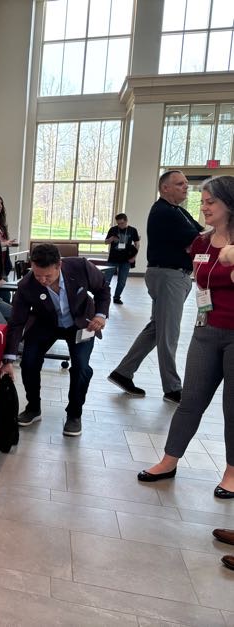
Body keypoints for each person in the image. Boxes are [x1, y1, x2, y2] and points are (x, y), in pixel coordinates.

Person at [136, 176, 234, 499]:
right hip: (206, 330)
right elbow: (200, 279)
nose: (203, 207)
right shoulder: (202, 242)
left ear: (229, 205)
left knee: (232, 407)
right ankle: (169, 459)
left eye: (211, 202)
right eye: (202, 202)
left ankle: (232, 472)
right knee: (190, 400)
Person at [107, 170, 202, 405]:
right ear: (165, 188)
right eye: (180, 184)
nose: (185, 187)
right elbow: (198, 241)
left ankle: (123, 372)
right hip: (168, 275)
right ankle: (172, 388)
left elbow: (200, 233)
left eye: (186, 184)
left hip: (172, 275)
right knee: (169, 332)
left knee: (157, 329)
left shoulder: (178, 211)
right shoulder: (164, 212)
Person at [0, 244, 110, 437]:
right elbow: (17, 323)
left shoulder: (81, 267)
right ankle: (33, 408)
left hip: (80, 323)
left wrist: (100, 315)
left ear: (59, 265)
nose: (42, 280)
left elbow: (102, 289)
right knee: (29, 362)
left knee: (82, 367)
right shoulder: (27, 285)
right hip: (45, 323)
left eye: (47, 276)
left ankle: (74, 415)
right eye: (37, 275)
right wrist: (8, 359)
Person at [101, 213, 140, 304]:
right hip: (113, 259)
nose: (120, 225)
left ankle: (117, 297)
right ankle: (102, 297)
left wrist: (134, 257)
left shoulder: (132, 230)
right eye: (118, 223)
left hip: (126, 260)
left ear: (126, 221)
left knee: (122, 281)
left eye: (121, 223)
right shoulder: (113, 229)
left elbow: (137, 244)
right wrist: (111, 239)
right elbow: (106, 242)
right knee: (106, 280)